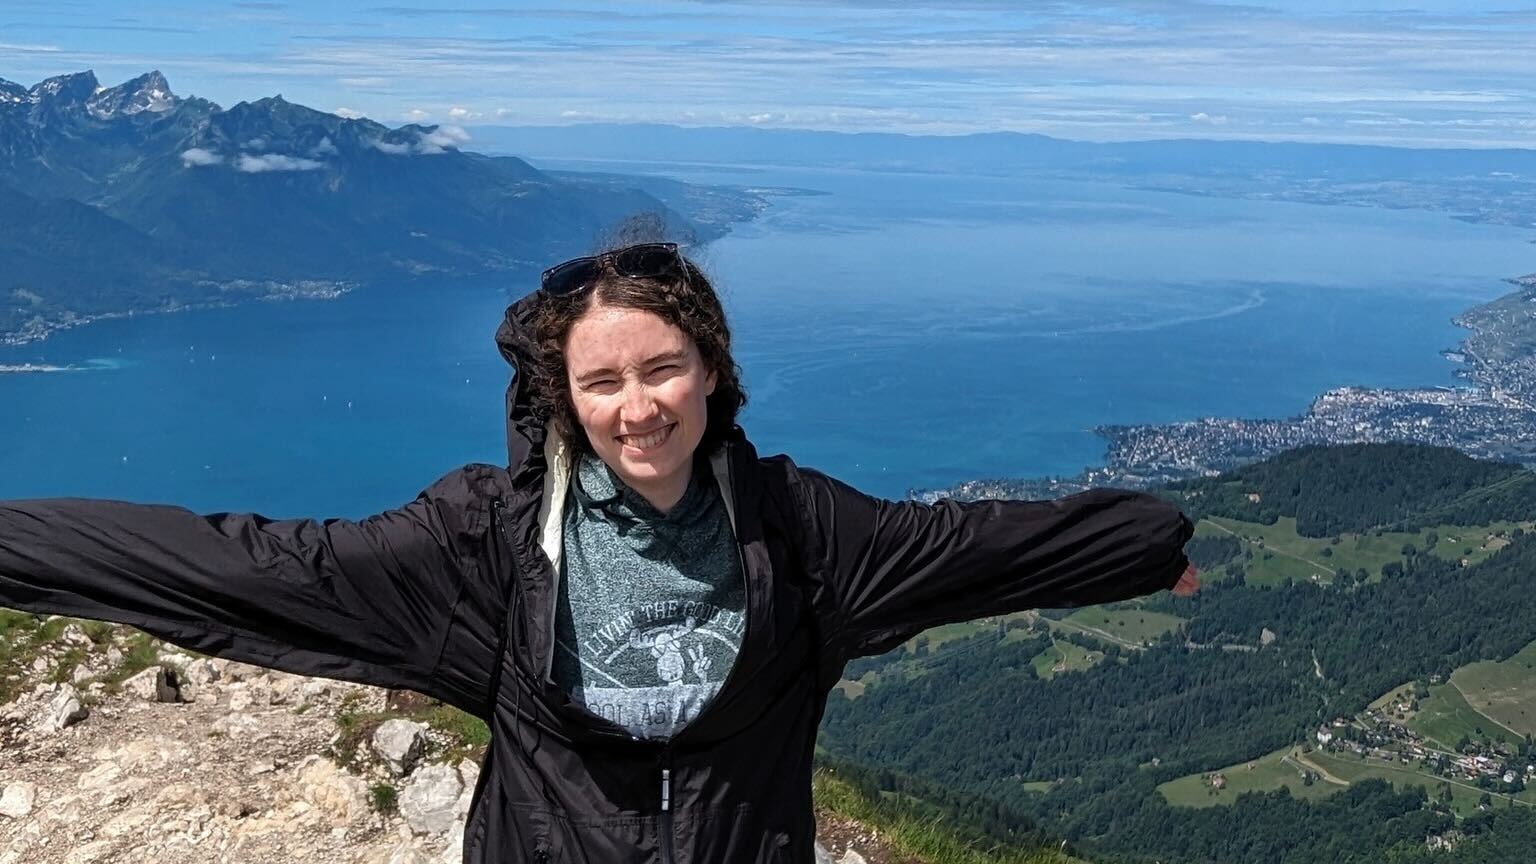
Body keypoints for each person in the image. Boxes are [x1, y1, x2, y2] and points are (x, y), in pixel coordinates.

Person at [0, 240, 1199, 863]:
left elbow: (971, 549)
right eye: (604, 380)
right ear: (563, 398)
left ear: (713, 371)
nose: (639, 406)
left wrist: (1145, 546)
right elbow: (245, 565)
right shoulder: (481, 544)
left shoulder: (802, 530)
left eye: (664, 367)